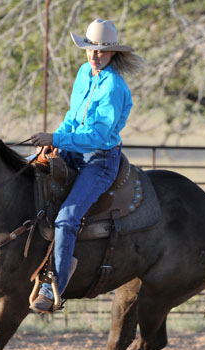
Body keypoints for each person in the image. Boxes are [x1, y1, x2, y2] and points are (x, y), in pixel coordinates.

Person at [29, 18, 144, 313]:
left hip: (100, 159)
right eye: (90, 49)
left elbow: (98, 136)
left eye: (101, 52)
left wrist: (57, 137)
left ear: (112, 54)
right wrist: (56, 139)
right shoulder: (84, 73)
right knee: (29, 173)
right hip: (74, 148)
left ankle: (54, 284)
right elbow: (72, 116)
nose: (94, 56)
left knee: (67, 217)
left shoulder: (114, 87)